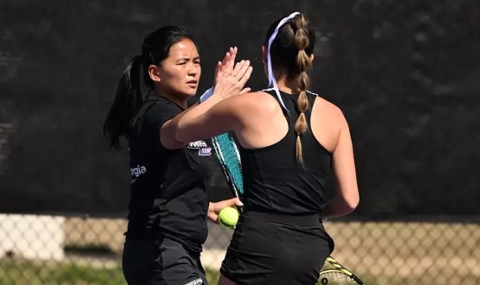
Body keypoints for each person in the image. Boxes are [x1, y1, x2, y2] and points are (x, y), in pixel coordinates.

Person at [174, 12, 360, 285]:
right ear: (310, 59)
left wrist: (219, 94)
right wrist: (311, 215)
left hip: (257, 245)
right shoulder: (335, 116)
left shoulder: (245, 107)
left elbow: (179, 131)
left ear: (266, 55)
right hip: (311, 249)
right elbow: (349, 200)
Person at [102, 26, 250, 285]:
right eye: (182, 63)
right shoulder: (155, 114)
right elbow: (177, 131)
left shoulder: (188, 115)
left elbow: (164, 183)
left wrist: (203, 207)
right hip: (159, 251)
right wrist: (217, 98)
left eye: (196, 62)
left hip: (181, 252)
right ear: (155, 73)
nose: (192, 70)